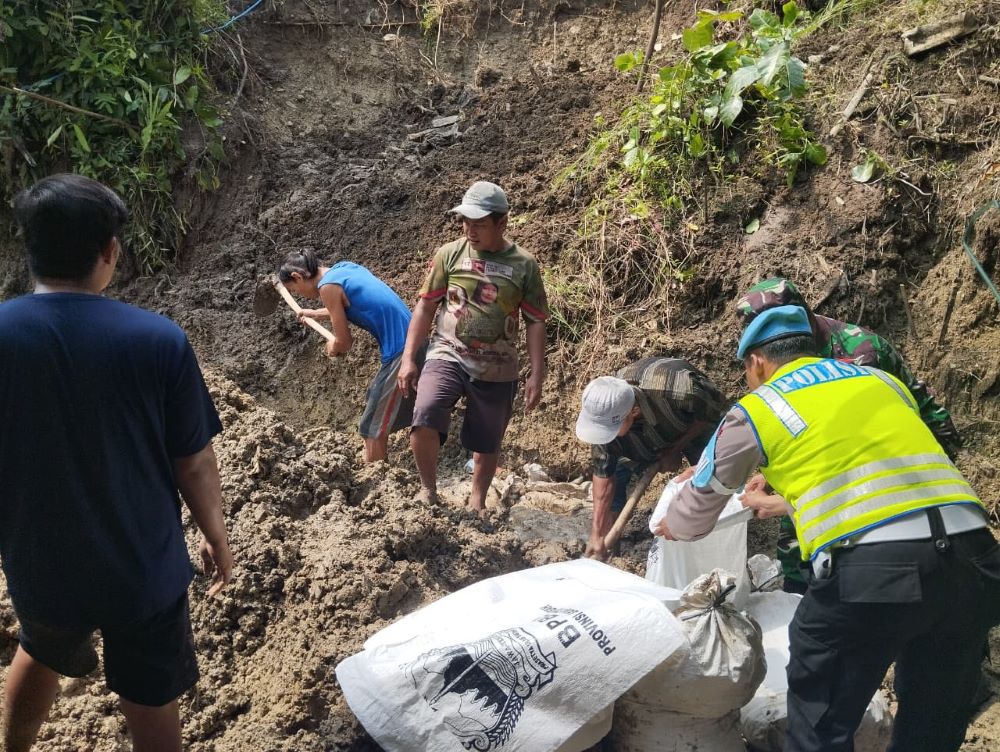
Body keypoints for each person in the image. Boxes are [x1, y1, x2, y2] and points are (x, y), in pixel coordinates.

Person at [656, 305, 999, 752]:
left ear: (756, 361)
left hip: (873, 575)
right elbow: (871, 472)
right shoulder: (882, 381)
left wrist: (673, 525)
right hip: (976, 561)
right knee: (932, 723)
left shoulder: (759, 407)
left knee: (820, 721)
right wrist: (788, 497)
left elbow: (695, 512)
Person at [1, 174, 233, 752]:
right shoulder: (157, 340)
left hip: (40, 561)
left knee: (40, 646)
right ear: (109, 252)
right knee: (152, 698)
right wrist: (216, 535)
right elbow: (195, 461)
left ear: (29, 249)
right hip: (142, 569)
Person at [736, 277, 961, 593]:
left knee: (887, 567)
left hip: (904, 468)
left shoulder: (857, 355)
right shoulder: (776, 357)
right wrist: (771, 478)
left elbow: (860, 450)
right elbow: (803, 432)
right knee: (798, 565)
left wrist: (780, 502)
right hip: (840, 473)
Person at [397, 181, 548, 512]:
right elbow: (425, 306)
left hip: (498, 365)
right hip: (447, 353)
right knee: (426, 411)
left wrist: (537, 373)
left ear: (501, 223)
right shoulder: (449, 254)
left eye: (479, 223)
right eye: (466, 222)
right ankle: (428, 489)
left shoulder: (524, 265)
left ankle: (477, 501)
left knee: (487, 437)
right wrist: (409, 357)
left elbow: (536, 320)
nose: (470, 230)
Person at [574, 357, 728, 560]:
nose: (605, 436)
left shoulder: (681, 391)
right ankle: (608, 551)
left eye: (610, 429)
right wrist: (596, 533)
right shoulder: (605, 410)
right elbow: (604, 477)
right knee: (617, 474)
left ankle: (710, 540)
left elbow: (712, 413)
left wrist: (675, 449)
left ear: (634, 412)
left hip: (693, 424)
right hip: (642, 433)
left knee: (707, 478)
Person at [278, 250, 421, 462]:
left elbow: (344, 342)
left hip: (402, 351)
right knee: (378, 398)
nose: (299, 294)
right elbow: (349, 304)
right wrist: (315, 313)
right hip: (417, 339)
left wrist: (333, 346)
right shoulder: (344, 269)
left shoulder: (327, 288)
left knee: (371, 427)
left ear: (298, 277)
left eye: (295, 290)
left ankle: (378, 482)